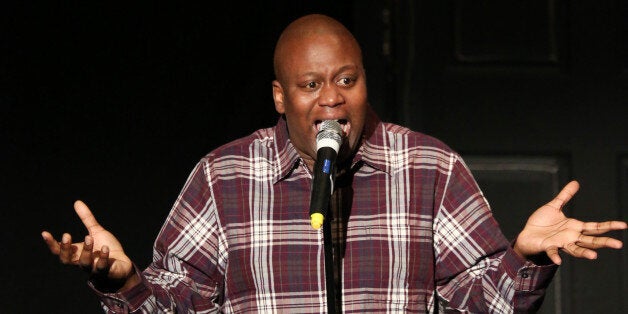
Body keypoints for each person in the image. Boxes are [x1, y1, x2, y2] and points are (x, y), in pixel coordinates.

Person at [42, 14, 627, 313]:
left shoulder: (428, 166)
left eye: (348, 79)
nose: (332, 99)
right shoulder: (224, 178)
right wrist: (120, 282)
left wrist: (523, 256)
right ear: (279, 97)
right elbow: (174, 306)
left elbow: (479, 307)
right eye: (311, 84)